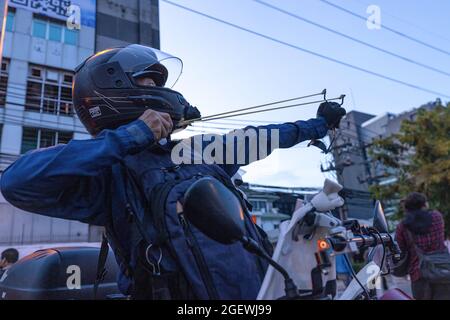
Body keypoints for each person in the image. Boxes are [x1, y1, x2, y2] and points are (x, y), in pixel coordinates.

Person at [0, 44, 346, 300]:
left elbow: (262, 137)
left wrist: (317, 125)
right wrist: (132, 136)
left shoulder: (198, 150)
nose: (161, 91)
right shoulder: (107, 172)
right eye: (150, 83)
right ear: (116, 93)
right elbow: (17, 181)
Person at [395, 192, 449, 300]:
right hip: (442, 270)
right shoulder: (437, 217)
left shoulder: (402, 226)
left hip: (418, 274)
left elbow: (402, 249)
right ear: (424, 205)